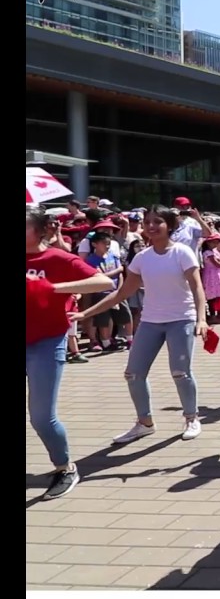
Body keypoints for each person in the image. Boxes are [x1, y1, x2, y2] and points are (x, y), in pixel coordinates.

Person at [75, 206, 210, 443]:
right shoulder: (141, 258)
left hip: (181, 319)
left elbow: (197, 287)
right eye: (147, 221)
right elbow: (120, 293)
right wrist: (85, 313)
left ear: (170, 225)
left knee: (180, 372)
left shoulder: (182, 252)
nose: (150, 226)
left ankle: (191, 418)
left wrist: (201, 319)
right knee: (133, 374)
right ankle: (144, 422)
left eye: (157, 221)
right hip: (150, 321)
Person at [27, 204, 115, 500]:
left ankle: (64, 467)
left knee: (41, 416)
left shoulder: (56, 257)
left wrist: (54, 287)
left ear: (39, 230)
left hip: (46, 342)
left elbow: (104, 281)